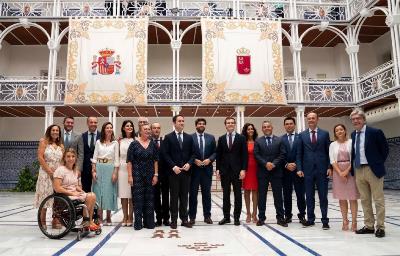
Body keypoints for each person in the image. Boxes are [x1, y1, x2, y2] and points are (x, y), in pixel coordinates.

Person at [350, 108, 389, 238]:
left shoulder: (375, 132)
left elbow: (385, 150)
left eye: (358, 118)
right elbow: (354, 153)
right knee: (365, 200)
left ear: (363, 119)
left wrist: (377, 163)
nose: (356, 121)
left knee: (378, 200)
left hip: (373, 170)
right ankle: (369, 226)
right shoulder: (353, 134)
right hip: (359, 170)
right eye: (353, 119)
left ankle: (380, 227)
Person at [297, 112, 332, 230]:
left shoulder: (325, 134)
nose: (311, 120)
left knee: (323, 196)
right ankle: (310, 219)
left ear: (318, 119)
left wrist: (329, 167)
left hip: (322, 170)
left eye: (313, 118)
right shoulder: (301, 135)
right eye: (309, 118)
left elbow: (329, 153)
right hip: (307, 171)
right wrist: (300, 168)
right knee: (309, 196)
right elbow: (299, 154)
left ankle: (325, 220)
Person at [53, 148, 99, 231]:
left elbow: (75, 186)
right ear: (64, 158)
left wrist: (81, 191)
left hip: (74, 193)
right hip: (65, 196)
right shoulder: (60, 170)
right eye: (68, 156)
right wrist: (72, 193)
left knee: (92, 195)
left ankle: (88, 221)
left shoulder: (75, 171)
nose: (71, 159)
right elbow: (57, 188)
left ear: (75, 158)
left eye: (73, 156)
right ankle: (87, 222)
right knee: (90, 196)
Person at [162, 115, 195, 229]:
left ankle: (184, 219)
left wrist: (189, 163)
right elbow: (165, 154)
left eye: (183, 121)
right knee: (174, 197)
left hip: (186, 172)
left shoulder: (189, 138)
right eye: (179, 121)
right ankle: (174, 220)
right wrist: (173, 166)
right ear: (174, 123)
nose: (181, 123)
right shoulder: (168, 137)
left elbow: (193, 154)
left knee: (184, 196)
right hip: (173, 173)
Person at [254, 121, 287, 227]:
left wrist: (273, 164)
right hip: (263, 172)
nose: (266, 128)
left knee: (278, 196)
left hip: (276, 171)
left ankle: (280, 217)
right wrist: (266, 163)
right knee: (262, 196)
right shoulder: (258, 141)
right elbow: (256, 154)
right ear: (262, 129)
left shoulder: (279, 140)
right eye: (264, 127)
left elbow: (282, 154)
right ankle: (261, 218)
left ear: (272, 127)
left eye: (268, 126)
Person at [216, 117, 247, 226]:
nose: (230, 124)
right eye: (228, 123)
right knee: (225, 195)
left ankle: (237, 217)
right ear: (225, 125)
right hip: (224, 171)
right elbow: (218, 155)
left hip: (237, 171)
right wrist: (218, 170)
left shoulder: (241, 138)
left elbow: (244, 155)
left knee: (238, 195)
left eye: (232, 123)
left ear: (234, 124)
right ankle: (226, 217)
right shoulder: (221, 139)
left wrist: (243, 169)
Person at [127, 124, 159, 230]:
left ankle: (149, 223)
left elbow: (155, 161)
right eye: (145, 129)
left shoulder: (153, 144)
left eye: (149, 129)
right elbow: (129, 161)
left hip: (150, 175)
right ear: (140, 131)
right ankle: (138, 223)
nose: (148, 131)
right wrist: (130, 176)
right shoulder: (134, 144)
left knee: (149, 199)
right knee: (138, 200)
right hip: (137, 175)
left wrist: (156, 175)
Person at [329, 124, 359, 231]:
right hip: (338, 172)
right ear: (335, 133)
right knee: (342, 198)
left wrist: (347, 171)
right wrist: (340, 173)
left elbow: (355, 158)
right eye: (337, 130)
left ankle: (354, 221)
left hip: (351, 171)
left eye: (341, 129)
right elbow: (332, 160)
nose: (339, 131)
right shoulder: (332, 145)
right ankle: (345, 220)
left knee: (353, 198)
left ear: (345, 130)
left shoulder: (351, 142)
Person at [34, 124, 64, 228]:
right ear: (49, 131)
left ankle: (55, 220)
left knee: (57, 198)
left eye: (57, 130)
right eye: (53, 130)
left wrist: (59, 173)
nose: (55, 132)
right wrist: (50, 172)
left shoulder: (61, 145)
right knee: (45, 196)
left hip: (57, 175)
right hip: (45, 174)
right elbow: (40, 158)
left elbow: (62, 161)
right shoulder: (44, 142)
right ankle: (42, 221)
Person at [189, 118, 216, 225]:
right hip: (194, 171)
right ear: (196, 125)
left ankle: (207, 216)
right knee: (192, 195)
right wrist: (194, 160)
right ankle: (192, 217)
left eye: (203, 124)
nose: (201, 125)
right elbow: (188, 152)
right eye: (199, 124)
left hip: (207, 170)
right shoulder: (190, 138)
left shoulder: (211, 137)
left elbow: (215, 152)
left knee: (207, 195)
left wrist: (210, 159)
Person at [91, 122, 119, 226]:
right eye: (107, 128)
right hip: (99, 167)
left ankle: (108, 216)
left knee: (108, 192)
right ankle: (99, 217)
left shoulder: (115, 143)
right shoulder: (98, 142)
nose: (109, 129)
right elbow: (94, 157)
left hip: (110, 168)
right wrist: (93, 171)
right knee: (98, 192)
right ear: (103, 130)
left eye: (111, 128)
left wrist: (115, 173)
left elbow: (116, 159)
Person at [281, 117, 306, 225]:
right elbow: (280, 155)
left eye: (291, 123)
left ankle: (302, 215)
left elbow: (302, 153)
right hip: (285, 171)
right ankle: (288, 215)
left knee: (300, 194)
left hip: (298, 170)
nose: (289, 125)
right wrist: (286, 164)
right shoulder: (281, 139)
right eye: (287, 124)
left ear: (294, 125)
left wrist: (297, 164)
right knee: (286, 195)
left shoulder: (300, 138)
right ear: (284, 126)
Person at [151, 122, 170, 226]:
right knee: (156, 197)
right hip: (153, 175)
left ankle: (166, 218)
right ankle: (158, 219)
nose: (156, 130)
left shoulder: (165, 141)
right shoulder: (148, 142)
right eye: (154, 128)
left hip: (165, 174)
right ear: (151, 129)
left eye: (158, 128)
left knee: (166, 197)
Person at [241, 123, 259, 223]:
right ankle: (248, 213)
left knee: (255, 192)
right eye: (248, 129)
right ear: (245, 131)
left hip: (256, 169)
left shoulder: (258, 142)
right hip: (246, 169)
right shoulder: (243, 142)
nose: (250, 130)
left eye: (252, 129)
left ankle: (254, 214)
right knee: (247, 192)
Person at [119, 120, 135, 227]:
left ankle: (131, 217)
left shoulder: (136, 140)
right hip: (122, 169)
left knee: (131, 195)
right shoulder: (119, 141)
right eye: (127, 126)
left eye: (131, 125)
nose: (129, 127)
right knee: (123, 195)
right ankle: (124, 216)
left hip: (133, 168)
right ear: (124, 128)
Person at [81, 116, 100, 192]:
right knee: (85, 190)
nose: (93, 124)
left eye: (95, 122)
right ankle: (86, 204)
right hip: (85, 168)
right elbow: (80, 153)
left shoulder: (102, 136)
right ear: (87, 123)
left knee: (98, 189)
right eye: (91, 122)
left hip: (99, 167)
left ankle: (98, 204)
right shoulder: (82, 136)